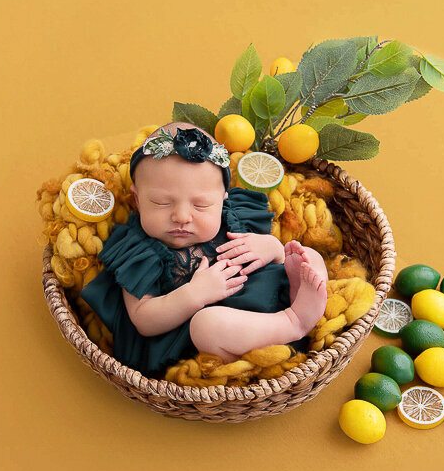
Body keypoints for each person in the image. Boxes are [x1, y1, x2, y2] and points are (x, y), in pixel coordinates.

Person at [80, 122, 328, 378]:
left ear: (222, 199)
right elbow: (143, 320)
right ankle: (295, 322)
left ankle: (302, 295)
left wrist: (270, 248)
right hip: (221, 339)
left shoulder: (234, 218)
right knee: (206, 324)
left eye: (201, 205)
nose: (181, 216)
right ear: (137, 200)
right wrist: (195, 295)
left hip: (272, 298)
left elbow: (274, 258)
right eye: (162, 203)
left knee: (305, 256)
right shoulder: (136, 249)